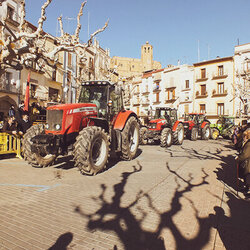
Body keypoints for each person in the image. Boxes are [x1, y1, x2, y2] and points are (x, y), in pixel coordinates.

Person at [236, 129, 250, 196]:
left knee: (248, 178)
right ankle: (247, 188)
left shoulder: (249, 144)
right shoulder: (247, 143)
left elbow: (245, 154)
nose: (243, 137)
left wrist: (238, 159)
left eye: (244, 136)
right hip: (247, 163)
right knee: (246, 177)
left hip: (248, 164)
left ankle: (248, 190)